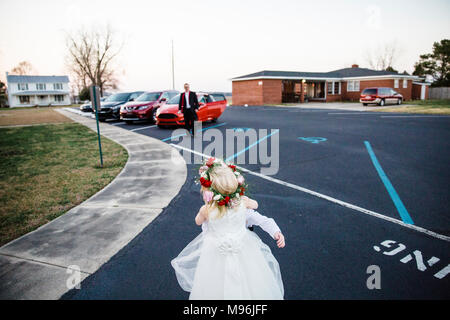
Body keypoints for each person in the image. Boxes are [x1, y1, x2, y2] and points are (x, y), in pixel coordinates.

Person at [171, 158, 285, 300]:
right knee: (248, 283)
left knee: (214, 286)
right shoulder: (242, 205)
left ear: (208, 190)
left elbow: (197, 222)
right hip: (244, 249)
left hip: (214, 253)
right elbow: (261, 219)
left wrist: (205, 208)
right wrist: (276, 232)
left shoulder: (206, 210)